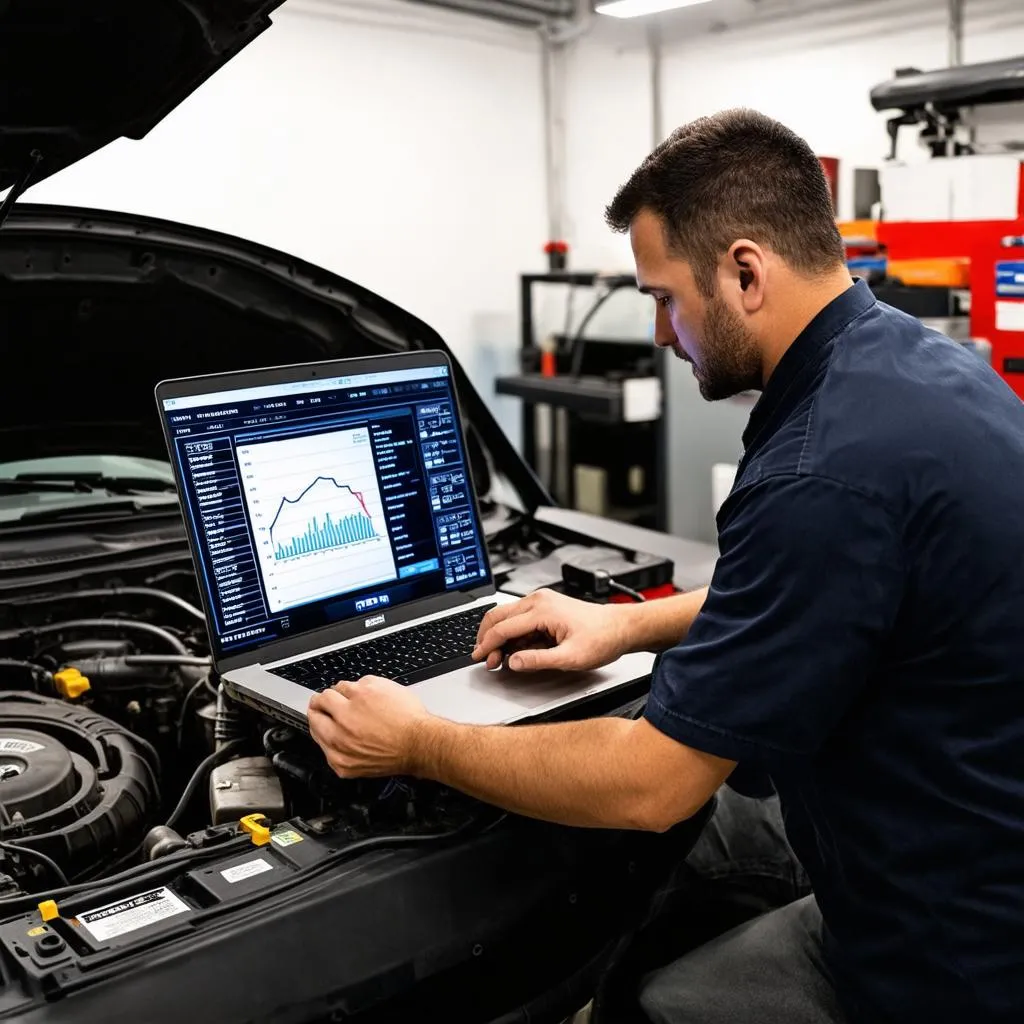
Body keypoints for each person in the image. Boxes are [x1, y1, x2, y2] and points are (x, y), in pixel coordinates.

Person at [307, 109, 1024, 1024]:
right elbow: (831, 589)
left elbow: (652, 786)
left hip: (946, 953)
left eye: (663, 296)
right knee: (704, 847)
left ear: (745, 271)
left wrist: (419, 742)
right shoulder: (917, 365)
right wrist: (626, 622)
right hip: (962, 832)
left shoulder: (823, 467)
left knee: (654, 1001)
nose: (657, 331)